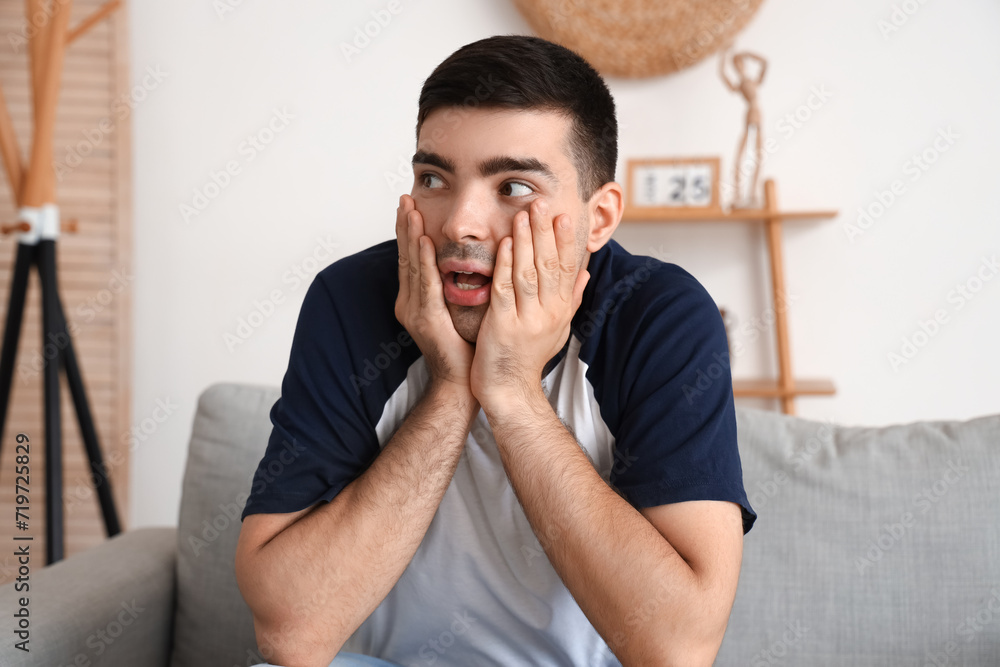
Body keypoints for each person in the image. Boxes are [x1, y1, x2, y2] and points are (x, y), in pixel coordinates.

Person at [235, 34, 756, 667]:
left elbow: (677, 648)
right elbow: (291, 635)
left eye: (513, 188)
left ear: (599, 217)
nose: (459, 224)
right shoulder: (349, 300)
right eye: (434, 178)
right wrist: (453, 387)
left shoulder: (660, 317)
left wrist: (509, 388)